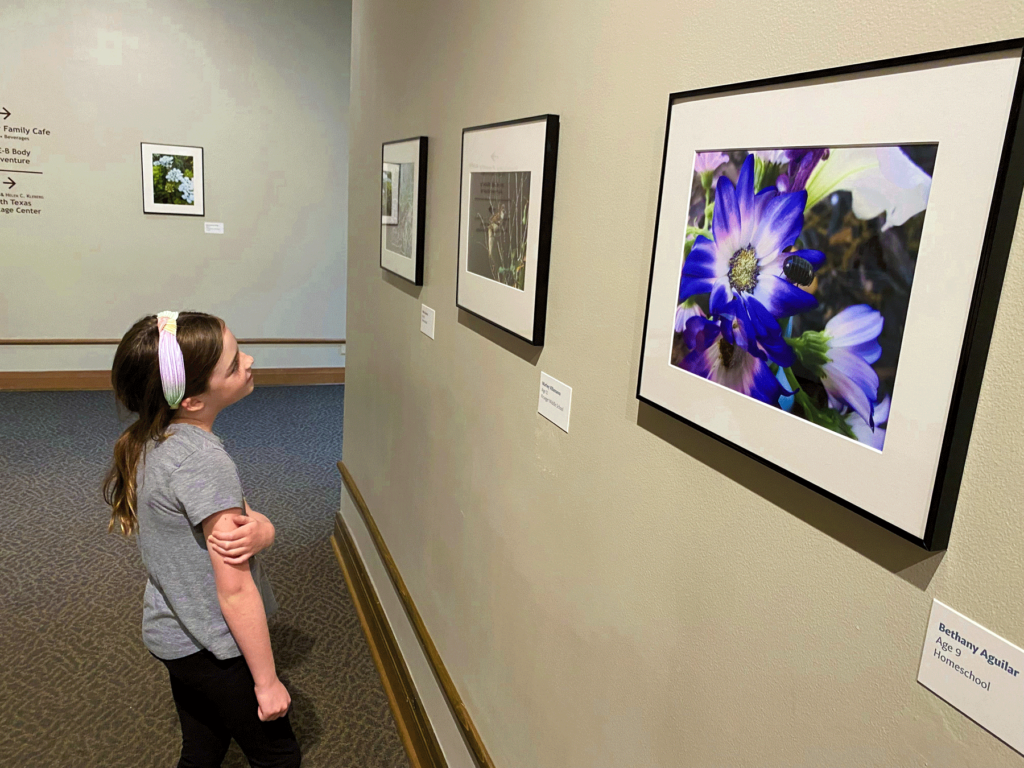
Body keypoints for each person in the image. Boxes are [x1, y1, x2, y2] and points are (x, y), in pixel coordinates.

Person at [103, 310, 301, 768]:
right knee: (278, 753)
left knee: (204, 742)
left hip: (174, 632)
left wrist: (265, 530)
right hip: (215, 646)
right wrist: (267, 682)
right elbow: (234, 591)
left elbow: (233, 512)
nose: (249, 361)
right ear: (192, 400)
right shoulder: (202, 463)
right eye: (233, 364)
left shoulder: (155, 435)